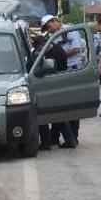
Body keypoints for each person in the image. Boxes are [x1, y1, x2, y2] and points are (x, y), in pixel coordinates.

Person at [40, 14, 80, 148]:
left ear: (54, 21)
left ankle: (72, 137)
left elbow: (76, 49)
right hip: (59, 72)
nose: (48, 29)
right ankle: (55, 137)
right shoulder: (54, 35)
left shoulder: (69, 31)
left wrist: (59, 54)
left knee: (69, 107)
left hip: (71, 70)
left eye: (48, 26)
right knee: (59, 107)